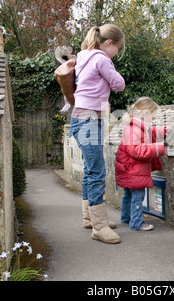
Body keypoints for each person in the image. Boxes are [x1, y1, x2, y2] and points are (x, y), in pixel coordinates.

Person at [68, 24, 125, 244]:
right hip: (90, 119)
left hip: (81, 118)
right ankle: (99, 227)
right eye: (117, 48)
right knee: (97, 171)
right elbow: (119, 85)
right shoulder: (101, 58)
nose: (116, 53)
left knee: (90, 169)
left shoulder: (83, 56)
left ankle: (89, 218)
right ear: (109, 43)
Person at [115, 97, 169, 231]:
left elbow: (150, 132)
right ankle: (136, 223)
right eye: (153, 116)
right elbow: (136, 150)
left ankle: (126, 217)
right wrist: (159, 148)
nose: (154, 119)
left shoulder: (136, 126)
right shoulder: (134, 130)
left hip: (128, 168)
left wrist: (166, 130)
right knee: (138, 197)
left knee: (128, 195)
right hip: (133, 170)